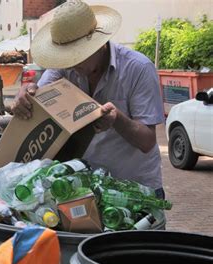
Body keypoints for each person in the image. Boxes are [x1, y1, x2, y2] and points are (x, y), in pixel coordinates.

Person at [12, 0, 165, 198]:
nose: (71, 65)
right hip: (89, 189)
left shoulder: (138, 68)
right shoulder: (65, 67)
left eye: (77, 57)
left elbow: (147, 141)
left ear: (98, 46)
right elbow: (37, 96)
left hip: (136, 191)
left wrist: (117, 119)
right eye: (66, 58)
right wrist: (25, 93)